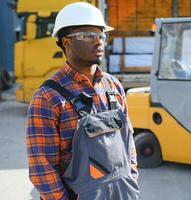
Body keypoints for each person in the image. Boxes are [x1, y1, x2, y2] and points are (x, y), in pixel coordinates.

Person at [26, 2, 139, 200]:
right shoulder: (48, 98)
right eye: (88, 36)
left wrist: (131, 180)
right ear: (66, 42)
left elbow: (128, 141)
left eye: (101, 35)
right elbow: (42, 169)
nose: (98, 42)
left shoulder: (113, 86)